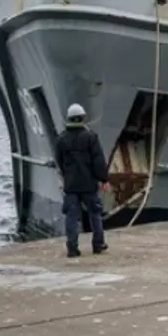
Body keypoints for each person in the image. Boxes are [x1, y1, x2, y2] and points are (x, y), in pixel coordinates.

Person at [53, 103, 110, 259]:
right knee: (95, 214)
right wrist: (104, 179)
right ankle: (98, 244)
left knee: (71, 217)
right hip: (89, 184)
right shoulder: (91, 137)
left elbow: (58, 160)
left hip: (71, 185)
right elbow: (98, 160)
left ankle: (72, 248)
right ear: (83, 118)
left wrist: (66, 175)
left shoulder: (61, 139)